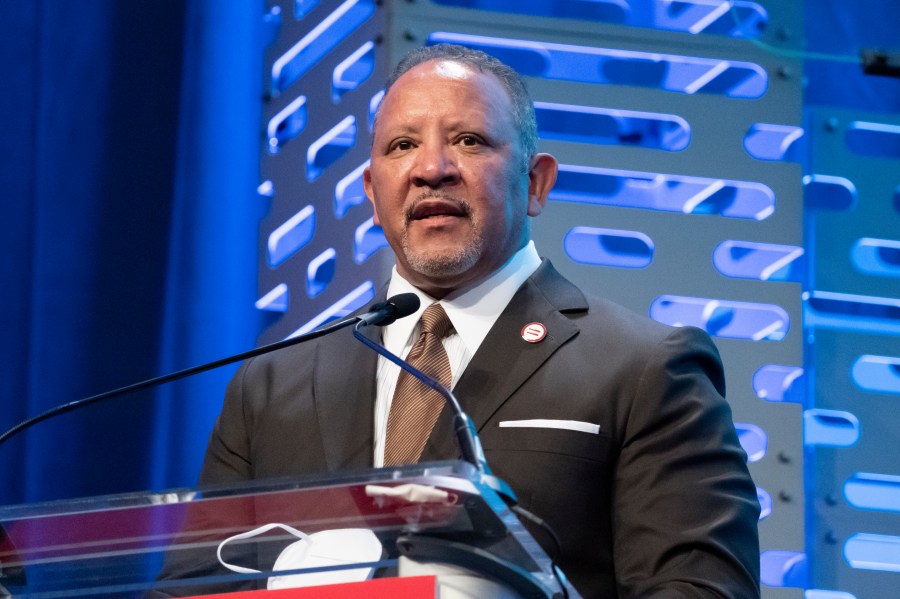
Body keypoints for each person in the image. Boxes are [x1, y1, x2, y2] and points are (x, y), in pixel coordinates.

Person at [164, 44, 760, 598]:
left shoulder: (645, 367)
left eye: (470, 141)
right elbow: (191, 589)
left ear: (535, 182)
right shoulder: (271, 388)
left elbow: (699, 588)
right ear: (372, 193)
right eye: (401, 146)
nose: (432, 169)